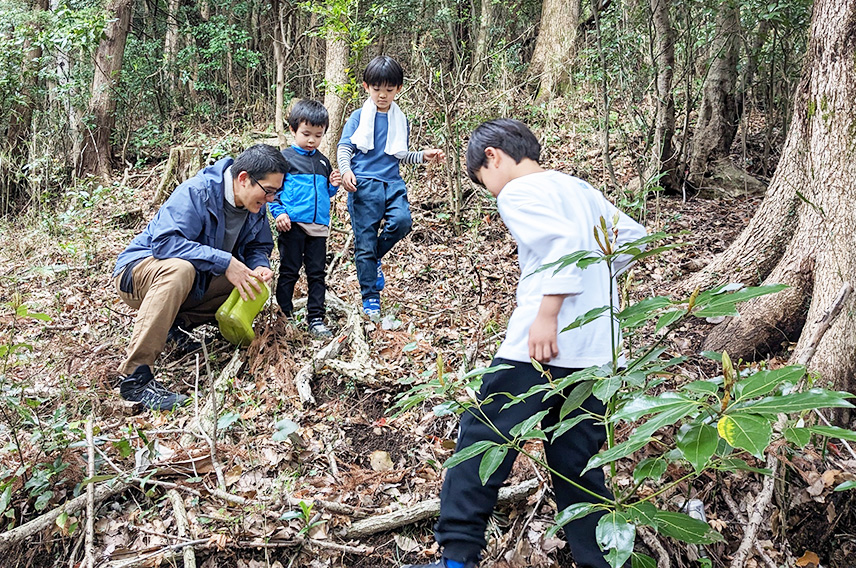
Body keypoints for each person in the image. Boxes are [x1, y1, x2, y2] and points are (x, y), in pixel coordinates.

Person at [406, 119, 647, 568]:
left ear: (492, 157)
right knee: (577, 465)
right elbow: (632, 240)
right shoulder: (578, 188)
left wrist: (549, 314)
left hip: (537, 347)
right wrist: (594, 286)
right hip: (597, 350)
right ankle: (603, 562)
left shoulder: (518, 191)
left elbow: (561, 244)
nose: (492, 192)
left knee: (482, 441)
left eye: (484, 182)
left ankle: (457, 558)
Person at [112, 144, 290, 410]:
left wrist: (259, 265)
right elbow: (165, 243)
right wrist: (225, 261)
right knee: (180, 269)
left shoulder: (255, 207)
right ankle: (135, 377)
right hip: (138, 272)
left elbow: (258, 247)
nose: (271, 199)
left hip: (193, 280)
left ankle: (174, 326)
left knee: (248, 282)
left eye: (276, 193)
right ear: (243, 178)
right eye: (268, 191)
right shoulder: (198, 192)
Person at [337, 56, 445, 317]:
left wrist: (422, 156)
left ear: (398, 89)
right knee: (364, 243)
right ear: (366, 87)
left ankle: (373, 259)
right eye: (377, 89)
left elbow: (399, 154)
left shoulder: (400, 119)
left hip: (392, 183)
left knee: (403, 222)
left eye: (388, 89)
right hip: (363, 186)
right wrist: (346, 171)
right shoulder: (358, 117)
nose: (382, 95)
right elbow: (344, 147)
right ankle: (370, 297)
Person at [269, 99, 342, 338]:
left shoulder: (322, 161)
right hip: (293, 225)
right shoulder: (284, 159)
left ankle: (316, 319)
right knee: (289, 270)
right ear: (293, 130)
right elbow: (273, 194)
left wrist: (333, 186)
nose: (312, 140)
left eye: (318, 135)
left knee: (317, 273)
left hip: (319, 227)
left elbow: (325, 194)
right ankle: (283, 317)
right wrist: (279, 214)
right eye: (306, 134)